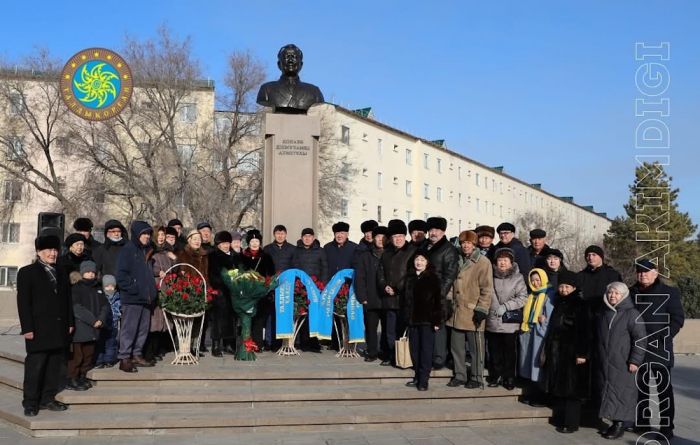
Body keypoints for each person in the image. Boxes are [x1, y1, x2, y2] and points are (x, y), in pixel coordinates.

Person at [17, 235, 74, 416]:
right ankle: (31, 402)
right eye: (48, 250)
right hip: (38, 329)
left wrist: (70, 322)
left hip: (59, 328)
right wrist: (27, 328)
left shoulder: (62, 271)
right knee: (35, 367)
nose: (52, 253)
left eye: (55, 250)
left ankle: (48, 398)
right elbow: (23, 303)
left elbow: (67, 300)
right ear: (38, 252)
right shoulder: (27, 272)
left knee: (54, 367)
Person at [631, 259, 685, 439]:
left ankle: (667, 426)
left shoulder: (669, 292)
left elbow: (677, 318)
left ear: (656, 272)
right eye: (639, 271)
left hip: (661, 348)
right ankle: (642, 422)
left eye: (646, 271)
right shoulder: (631, 292)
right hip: (638, 349)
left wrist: (665, 336)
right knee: (640, 388)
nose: (642, 274)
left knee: (663, 390)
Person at [596, 282, 647, 440]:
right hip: (605, 361)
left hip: (623, 361)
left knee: (622, 393)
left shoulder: (632, 314)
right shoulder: (604, 312)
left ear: (623, 295)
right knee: (609, 391)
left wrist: (635, 361)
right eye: (611, 292)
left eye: (617, 293)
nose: (613, 296)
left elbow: (640, 339)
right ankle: (613, 422)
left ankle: (620, 424)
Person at [541, 270, 590, 434]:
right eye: (561, 286)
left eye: (567, 287)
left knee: (572, 390)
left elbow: (585, 331)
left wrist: (582, 354)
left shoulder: (580, 304)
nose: (563, 289)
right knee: (560, 387)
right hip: (559, 351)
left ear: (574, 287)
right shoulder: (560, 302)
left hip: (573, 352)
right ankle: (560, 418)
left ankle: (571, 423)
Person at [446, 230, 493, 389]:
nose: (466, 246)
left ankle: (477, 376)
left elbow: (487, 289)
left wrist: (482, 309)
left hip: (473, 312)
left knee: (476, 349)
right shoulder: (456, 258)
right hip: (456, 311)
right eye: (463, 243)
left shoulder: (483, 262)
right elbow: (451, 283)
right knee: (456, 347)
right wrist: (447, 301)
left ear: (474, 245)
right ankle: (459, 375)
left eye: (469, 243)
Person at [115, 221, 157, 372]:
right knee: (129, 329)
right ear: (137, 234)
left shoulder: (147, 251)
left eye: (148, 234)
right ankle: (124, 358)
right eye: (144, 234)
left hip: (146, 298)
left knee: (142, 329)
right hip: (132, 298)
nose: (147, 236)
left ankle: (137, 354)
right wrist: (135, 289)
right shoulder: (128, 250)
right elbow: (120, 276)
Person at [485, 248, 528, 391]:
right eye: (500, 260)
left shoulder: (518, 277)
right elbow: (487, 292)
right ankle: (495, 375)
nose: (502, 263)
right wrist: (495, 306)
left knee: (509, 351)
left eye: (505, 260)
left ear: (511, 262)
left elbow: (522, 297)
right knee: (494, 350)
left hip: (510, 320)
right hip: (493, 318)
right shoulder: (490, 275)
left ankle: (509, 377)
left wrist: (506, 306)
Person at [377, 219, 416, 366]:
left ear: (404, 236)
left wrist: (397, 287)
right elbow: (380, 272)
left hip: (404, 298)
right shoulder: (386, 253)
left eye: (400, 235)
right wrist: (384, 285)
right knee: (389, 330)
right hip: (388, 299)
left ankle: (403, 357)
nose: (398, 239)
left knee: (402, 329)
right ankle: (390, 355)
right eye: (394, 236)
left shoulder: (411, 251)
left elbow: (412, 273)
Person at [66, 260, 109, 391]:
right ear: (82, 272)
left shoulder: (98, 288)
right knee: (77, 357)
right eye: (88, 272)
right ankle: (72, 378)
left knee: (88, 356)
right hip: (80, 329)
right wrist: (93, 320)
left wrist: (101, 319)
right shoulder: (76, 288)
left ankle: (82, 376)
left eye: (93, 272)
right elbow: (77, 308)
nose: (91, 274)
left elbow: (105, 306)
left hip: (94, 330)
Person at [403, 250, 442, 391]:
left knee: (426, 350)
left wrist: (437, 320)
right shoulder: (410, 277)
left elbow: (439, 300)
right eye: (417, 260)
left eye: (422, 260)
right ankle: (417, 375)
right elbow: (405, 300)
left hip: (427, 320)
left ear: (427, 262)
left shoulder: (433, 278)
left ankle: (424, 379)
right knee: (414, 350)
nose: (419, 262)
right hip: (413, 320)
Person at [424, 216, 459, 369]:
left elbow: (450, 274)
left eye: (437, 230)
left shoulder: (448, 249)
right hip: (423, 293)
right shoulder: (425, 246)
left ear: (443, 231)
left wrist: (439, 294)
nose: (433, 233)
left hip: (439, 295)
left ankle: (439, 359)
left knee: (438, 327)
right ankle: (428, 355)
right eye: (431, 230)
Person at [518, 268, 556, 407]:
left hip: (540, 334)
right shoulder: (531, 294)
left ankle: (541, 395)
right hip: (529, 332)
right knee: (529, 363)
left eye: (538, 279)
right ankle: (532, 392)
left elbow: (550, 316)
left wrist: (543, 322)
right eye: (533, 280)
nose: (535, 282)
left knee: (538, 364)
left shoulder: (549, 294)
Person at [256, 44, 324, 114]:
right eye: (286, 57)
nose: (290, 60)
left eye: (294, 57)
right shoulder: (267, 89)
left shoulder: (314, 92)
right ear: (279, 64)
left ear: (301, 64)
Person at [354, 225, 386, 362]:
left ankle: (386, 352)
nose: (380, 240)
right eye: (378, 237)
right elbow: (359, 277)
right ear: (374, 239)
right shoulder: (365, 256)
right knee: (371, 328)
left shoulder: (391, 254)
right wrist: (362, 297)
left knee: (388, 328)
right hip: (371, 297)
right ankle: (372, 351)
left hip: (386, 299)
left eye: (383, 237)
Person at [292, 228, 327, 351]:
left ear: (313, 238)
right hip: (301, 288)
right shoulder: (296, 251)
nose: (307, 239)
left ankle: (314, 342)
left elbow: (324, 268)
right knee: (302, 315)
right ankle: (302, 342)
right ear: (302, 238)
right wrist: (297, 285)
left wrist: (322, 285)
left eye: (309, 236)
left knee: (315, 315)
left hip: (316, 288)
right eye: (305, 236)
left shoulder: (320, 251)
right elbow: (294, 268)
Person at [240, 229, 276, 351]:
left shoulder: (266, 256)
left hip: (261, 293)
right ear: (248, 243)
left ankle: (258, 344)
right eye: (252, 241)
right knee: (246, 319)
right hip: (246, 293)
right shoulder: (242, 256)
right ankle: (245, 343)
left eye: (257, 241)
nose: (255, 244)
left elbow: (271, 274)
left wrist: (266, 286)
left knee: (259, 319)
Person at [178, 230, 211, 353]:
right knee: (188, 320)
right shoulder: (183, 254)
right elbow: (181, 272)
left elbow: (206, 274)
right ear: (189, 240)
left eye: (199, 239)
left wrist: (207, 288)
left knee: (199, 320)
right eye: (195, 239)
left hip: (202, 290)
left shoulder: (204, 255)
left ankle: (195, 346)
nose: (197, 241)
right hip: (189, 290)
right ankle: (186, 346)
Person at [208, 231, 239, 357]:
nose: (226, 245)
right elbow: (212, 274)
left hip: (233, 292)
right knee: (218, 320)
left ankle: (229, 344)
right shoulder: (214, 256)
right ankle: (216, 345)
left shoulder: (235, 256)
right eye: (223, 243)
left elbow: (240, 270)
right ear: (218, 244)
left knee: (231, 319)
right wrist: (223, 282)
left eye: (227, 243)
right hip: (220, 291)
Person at [147, 226, 174, 362]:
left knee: (163, 322)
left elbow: (175, 267)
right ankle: (150, 352)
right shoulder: (150, 251)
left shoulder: (167, 252)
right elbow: (147, 267)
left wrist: (174, 258)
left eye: (163, 234)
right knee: (154, 322)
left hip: (166, 288)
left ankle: (159, 349)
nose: (161, 237)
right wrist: (157, 272)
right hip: (155, 288)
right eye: (159, 235)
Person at [94, 274, 121, 369]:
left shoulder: (117, 297)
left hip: (113, 323)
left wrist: (118, 314)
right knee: (100, 343)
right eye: (107, 286)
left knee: (111, 343)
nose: (110, 288)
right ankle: (99, 361)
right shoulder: (100, 296)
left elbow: (119, 309)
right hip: (103, 324)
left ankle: (109, 360)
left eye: (112, 286)